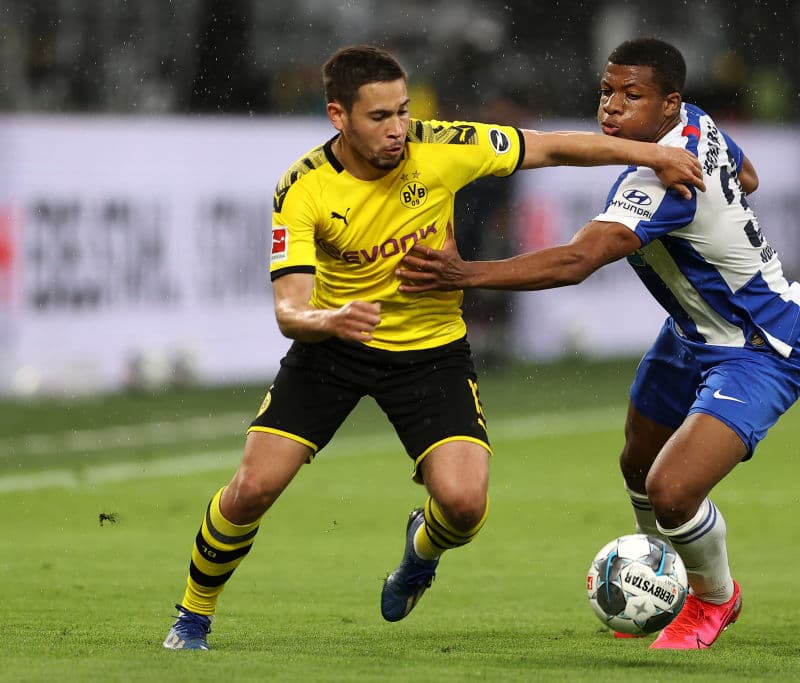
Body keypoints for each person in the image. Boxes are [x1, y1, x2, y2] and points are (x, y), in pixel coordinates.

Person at [162, 44, 705, 651]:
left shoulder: (442, 144)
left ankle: (420, 551)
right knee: (254, 487)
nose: (398, 129)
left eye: (402, 110)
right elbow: (289, 309)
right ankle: (192, 616)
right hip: (334, 345)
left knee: (465, 505)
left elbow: (553, 147)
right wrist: (329, 317)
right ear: (338, 116)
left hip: (430, 350)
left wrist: (654, 154)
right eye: (379, 117)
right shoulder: (303, 188)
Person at [396, 37, 800, 650]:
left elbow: (576, 261)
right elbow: (746, 173)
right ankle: (661, 576)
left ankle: (713, 599)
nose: (612, 107)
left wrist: (465, 275)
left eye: (632, 95)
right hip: (691, 333)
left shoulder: (662, 180)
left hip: (760, 345)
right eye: (606, 91)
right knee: (638, 463)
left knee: (673, 490)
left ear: (669, 102)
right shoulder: (695, 125)